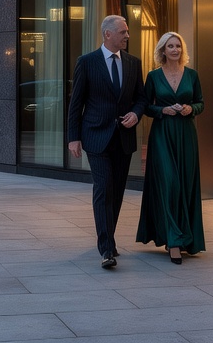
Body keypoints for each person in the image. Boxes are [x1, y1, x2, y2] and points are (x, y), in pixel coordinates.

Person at [66, 15, 147, 269]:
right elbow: (76, 102)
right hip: (96, 137)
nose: (127, 36)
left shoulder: (134, 63)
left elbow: (141, 97)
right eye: (123, 32)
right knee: (103, 189)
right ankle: (106, 249)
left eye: (127, 32)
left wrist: (136, 113)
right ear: (108, 34)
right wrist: (73, 137)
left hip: (123, 138)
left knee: (117, 192)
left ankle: (107, 238)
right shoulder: (87, 62)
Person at [136, 32, 205, 264]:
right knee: (169, 183)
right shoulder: (154, 76)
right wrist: (161, 110)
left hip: (186, 135)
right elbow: (145, 106)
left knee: (185, 184)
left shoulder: (192, 75)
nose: (175, 50)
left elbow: (200, 102)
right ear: (162, 51)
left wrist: (190, 109)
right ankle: (173, 240)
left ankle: (185, 238)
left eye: (178, 46)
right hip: (162, 135)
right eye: (170, 46)